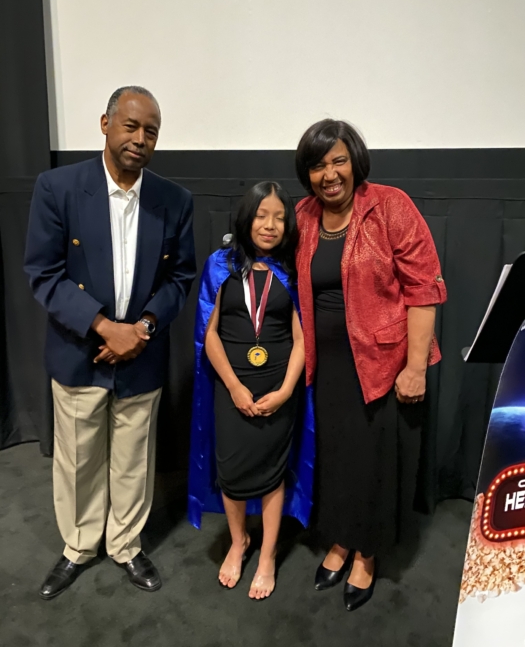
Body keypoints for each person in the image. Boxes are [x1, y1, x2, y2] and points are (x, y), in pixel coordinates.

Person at [24, 86, 196, 600]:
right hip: (80, 351)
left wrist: (141, 329)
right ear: (105, 124)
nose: (140, 139)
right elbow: (44, 273)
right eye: (131, 126)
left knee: (133, 458)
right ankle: (79, 546)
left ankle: (125, 544)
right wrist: (104, 327)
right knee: (77, 458)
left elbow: (181, 278)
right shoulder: (58, 188)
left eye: (151, 132)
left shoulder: (174, 200)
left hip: (142, 353)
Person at [294, 119, 447, 612]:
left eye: (338, 160)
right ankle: (340, 540)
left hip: (384, 362)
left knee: (377, 462)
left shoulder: (390, 206)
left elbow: (424, 289)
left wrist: (415, 367)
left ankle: (366, 553)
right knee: (338, 457)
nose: (329, 174)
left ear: (355, 161)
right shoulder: (303, 215)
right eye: (318, 165)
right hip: (328, 365)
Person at [188, 182, 315, 600]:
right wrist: (234, 386)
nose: (270, 225)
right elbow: (208, 333)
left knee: (272, 472)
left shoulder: (293, 269)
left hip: (279, 386)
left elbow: (303, 338)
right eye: (262, 215)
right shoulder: (220, 265)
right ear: (246, 218)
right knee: (232, 471)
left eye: (279, 217)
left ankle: (267, 555)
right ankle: (239, 540)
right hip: (231, 387)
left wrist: (286, 390)